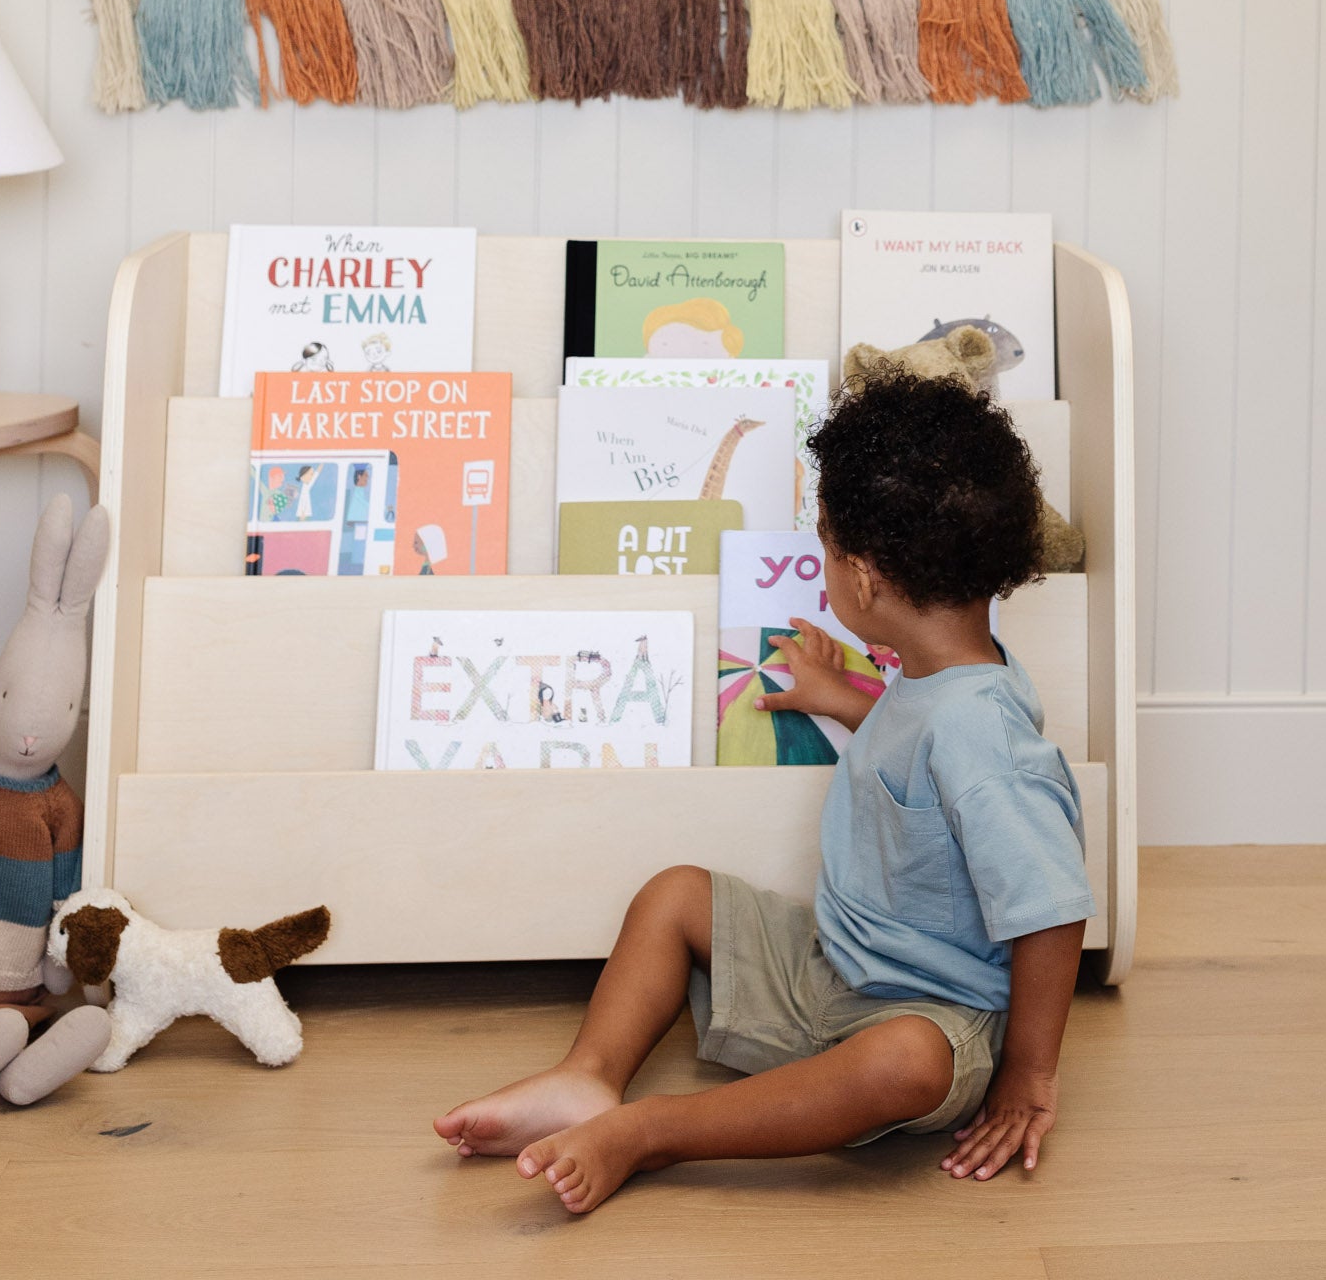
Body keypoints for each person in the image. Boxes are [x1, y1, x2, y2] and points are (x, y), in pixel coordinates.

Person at [435, 365, 1094, 1213]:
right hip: (837, 957)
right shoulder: (943, 674)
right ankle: (586, 1078)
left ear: (862, 578)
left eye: (819, 539)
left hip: (933, 1013)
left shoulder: (985, 734)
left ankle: (654, 1131)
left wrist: (1028, 1076)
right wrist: (847, 700)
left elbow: (1052, 906)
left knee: (906, 1066)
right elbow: (925, 759)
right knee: (677, 895)